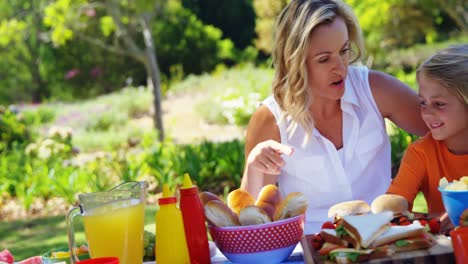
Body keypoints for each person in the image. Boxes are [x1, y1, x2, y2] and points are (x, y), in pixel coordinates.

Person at [240, 0, 428, 234]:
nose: (340, 68)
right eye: (324, 59)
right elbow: (248, 222)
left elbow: (446, 127)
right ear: (294, 62)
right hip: (313, 247)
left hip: (385, 239)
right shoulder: (270, 120)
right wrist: (253, 168)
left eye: (344, 50)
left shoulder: (376, 90)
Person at [387, 44, 468, 234]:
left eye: (439, 104)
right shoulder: (421, 153)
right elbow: (392, 211)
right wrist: (436, 219)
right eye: (423, 102)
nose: (427, 113)